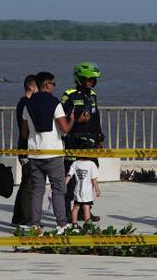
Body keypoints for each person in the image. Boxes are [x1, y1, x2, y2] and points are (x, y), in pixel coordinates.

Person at [20, 71, 74, 233]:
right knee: (58, 189)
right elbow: (64, 129)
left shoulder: (27, 104)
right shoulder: (55, 103)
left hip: (34, 153)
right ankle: (61, 224)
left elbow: (24, 134)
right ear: (46, 85)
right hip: (53, 153)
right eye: (53, 84)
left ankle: (35, 224)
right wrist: (71, 119)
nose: (54, 87)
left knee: (37, 190)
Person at [61, 62, 102, 221]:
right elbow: (62, 119)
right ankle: (65, 211)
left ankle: (85, 209)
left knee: (89, 178)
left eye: (93, 79)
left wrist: (99, 137)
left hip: (90, 143)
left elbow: (96, 116)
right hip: (73, 142)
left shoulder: (92, 95)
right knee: (70, 178)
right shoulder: (69, 94)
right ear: (79, 79)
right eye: (87, 79)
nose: (90, 81)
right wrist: (77, 120)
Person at [12, 74, 38, 227]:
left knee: (25, 183)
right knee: (29, 184)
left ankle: (18, 216)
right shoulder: (26, 104)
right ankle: (26, 217)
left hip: (23, 147)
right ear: (33, 87)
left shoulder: (22, 103)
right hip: (26, 148)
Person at [67, 144, 101, 227]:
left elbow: (69, 175)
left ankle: (74, 224)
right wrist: (97, 189)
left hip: (77, 190)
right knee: (86, 207)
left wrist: (64, 184)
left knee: (75, 207)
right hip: (87, 191)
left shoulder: (75, 163)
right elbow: (93, 179)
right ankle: (87, 224)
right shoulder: (92, 164)